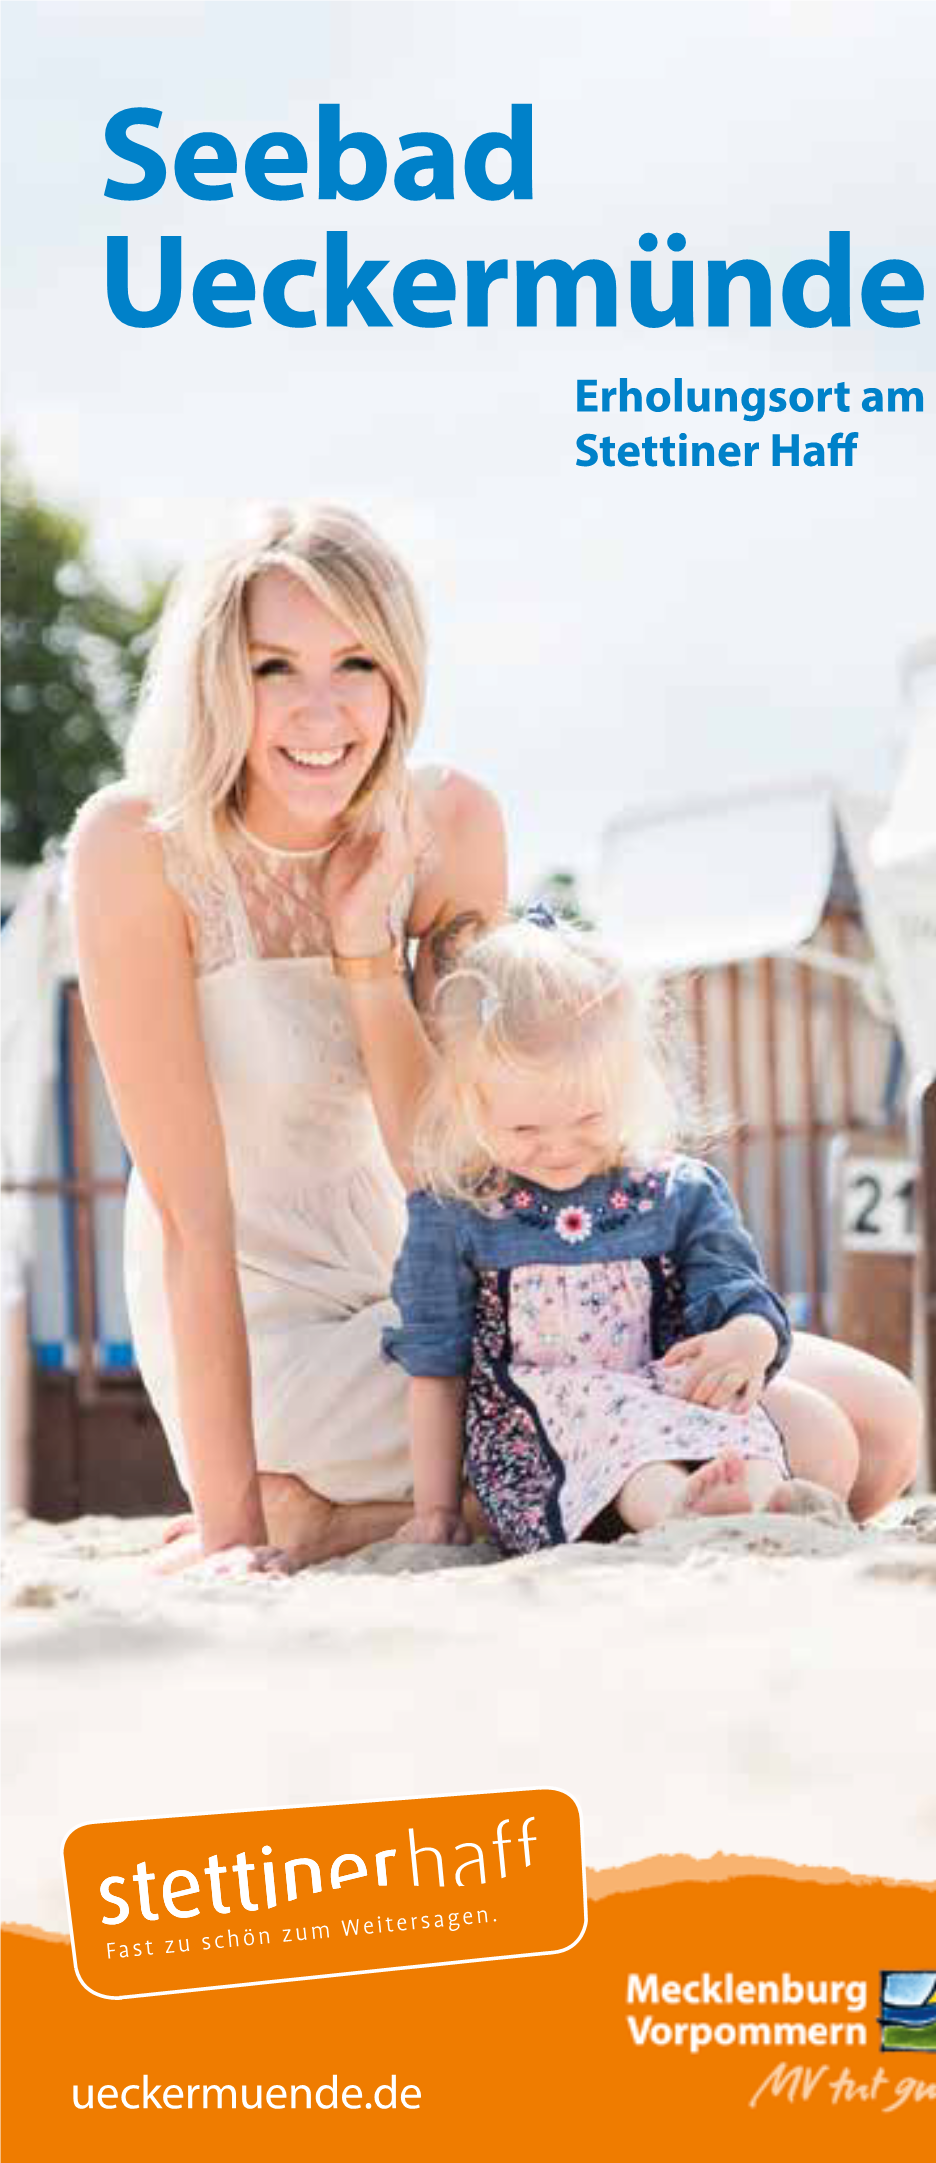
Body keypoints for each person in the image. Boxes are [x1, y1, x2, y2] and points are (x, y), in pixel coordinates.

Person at [69, 506, 507, 1569]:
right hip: (262, 1344)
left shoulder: (449, 828)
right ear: (223, 677)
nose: (322, 710)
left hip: (422, 1295)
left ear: (400, 671)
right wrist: (235, 1532)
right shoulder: (137, 847)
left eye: (357, 660)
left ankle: (341, 1523)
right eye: (275, 668)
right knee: (779, 1433)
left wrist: (367, 954)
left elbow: (450, 1175)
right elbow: (190, 1222)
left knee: (869, 1425)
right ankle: (296, 1510)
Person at [383, 911, 869, 1553]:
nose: (558, 1148)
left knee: (737, 1417)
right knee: (618, 1427)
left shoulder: (675, 1193)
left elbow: (735, 1288)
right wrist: (436, 1508)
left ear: (628, 1085)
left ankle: (757, 1497)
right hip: (546, 1430)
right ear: (470, 1105)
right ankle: (679, 1509)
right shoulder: (458, 1214)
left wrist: (746, 1341)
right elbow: (436, 1369)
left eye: (587, 1117)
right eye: (525, 1130)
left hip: (665, 1394)